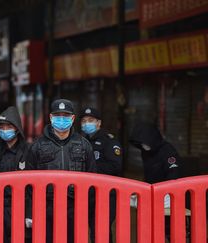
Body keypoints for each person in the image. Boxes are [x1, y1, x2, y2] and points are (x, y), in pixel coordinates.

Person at [27, 99, 96, 243]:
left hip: (75, 208)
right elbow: (28, 182)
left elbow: (92, 181)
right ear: (51, 118)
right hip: (46, 208)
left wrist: (86, 211)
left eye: (66, 116)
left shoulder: (84, 145)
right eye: (58, 116)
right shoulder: (37, 146)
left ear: (72, 118)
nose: (62, 119)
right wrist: (33, 210)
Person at [0, 106, 32, 243]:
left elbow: (32, 186)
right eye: (1, 128)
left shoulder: (28, 151)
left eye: (8, 127)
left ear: (17, 128)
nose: (5, 131)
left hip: (21, 208)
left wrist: (30, 213)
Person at [129, 122, 184, 240]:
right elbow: (148, 175)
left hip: (168, 195)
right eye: (141, 144)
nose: (144, 146)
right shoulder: (146, 151)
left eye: (145, 143)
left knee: (168, 228)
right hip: (152, 194)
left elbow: (174, 175)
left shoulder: (168, 151)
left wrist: (162, 192)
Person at [80, 107, 122, 243]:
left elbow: (115, 166)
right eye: (84, 121)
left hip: (105, 196)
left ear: (99, 123)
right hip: (85, 195)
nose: (87, 123)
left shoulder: (109, 141)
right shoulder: (79, 141)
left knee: (100, 233)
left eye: (90, 120)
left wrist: (89, 169)